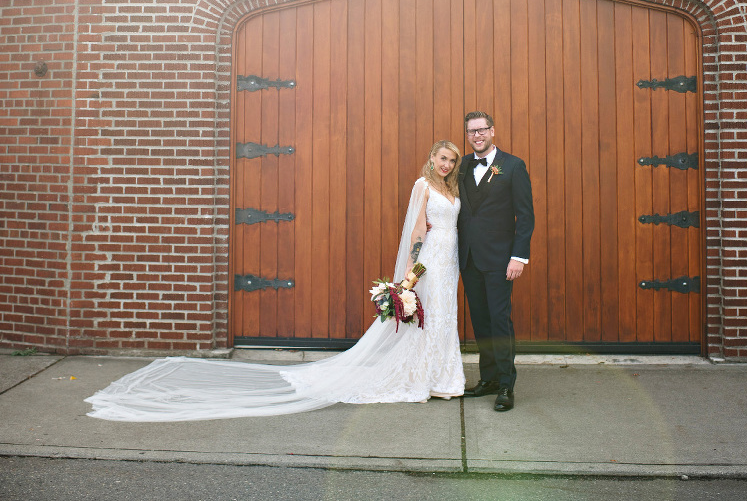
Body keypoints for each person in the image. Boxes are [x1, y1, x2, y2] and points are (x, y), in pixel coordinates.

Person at [85, 141, 465, 421]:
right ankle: (420, 380)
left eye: (452, 160)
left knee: (444, 320)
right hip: (430, 260)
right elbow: (417, 230)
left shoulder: (452, 189)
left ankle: (443, 379)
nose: (446, 164)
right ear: (432, 157)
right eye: (442, 158)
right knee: (423, 322)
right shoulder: (424, 185)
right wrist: (409, 275)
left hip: (450, 262)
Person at [458, 111, 535, 413]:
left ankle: (506, 384)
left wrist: (519, 257)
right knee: (481, 321)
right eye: (471, 132)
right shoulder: (461, 166)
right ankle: (488, 378)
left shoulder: (513, 166)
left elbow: (525, 217)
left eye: (481, 130)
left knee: (500, 320)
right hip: (469, 258)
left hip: (501, 260)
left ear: (492, 131)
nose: (476, 136)